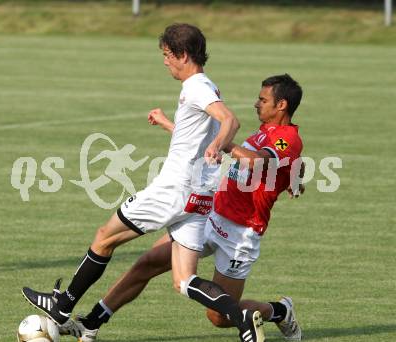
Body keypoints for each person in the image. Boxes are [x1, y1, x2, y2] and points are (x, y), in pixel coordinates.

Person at [22, 23, 265, 342]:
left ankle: (62, 305)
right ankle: (243, 319)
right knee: (184, 280)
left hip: (172, 190)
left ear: (183, 54)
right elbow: (194, 134)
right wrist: (170, 124)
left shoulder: (196, 86)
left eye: (167, 55)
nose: (165, 61)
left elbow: (230, 119)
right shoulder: (207, 86)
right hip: (199, 198)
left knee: (104, 237)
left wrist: (217, 143)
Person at [61, 74, 305, 341]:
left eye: (262, 99)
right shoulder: (264, 132)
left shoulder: (286, 138)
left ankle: (280, 311)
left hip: (241, 233)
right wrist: (169, 124)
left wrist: (226, 143)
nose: (256, 104)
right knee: (148, 262)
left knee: (219, 317)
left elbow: (257, 162)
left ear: (281, 105)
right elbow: (288, 163)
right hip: (210, 216)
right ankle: (93, 321)